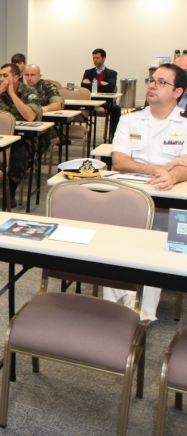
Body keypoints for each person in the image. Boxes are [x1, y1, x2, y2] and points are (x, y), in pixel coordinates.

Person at [107, 63, 187, 322]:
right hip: (130, 198)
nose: (152, 85)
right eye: (152, 80)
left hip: (170, 202)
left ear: (178, 92)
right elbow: (119, 161)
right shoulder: (131, 119)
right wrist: (160, 169)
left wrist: (172, 175)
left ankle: (142, 314)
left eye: (162, 82)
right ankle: (116, 305)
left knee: (157, 245)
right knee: (118, 239)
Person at [0, 63, 41, 208]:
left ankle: (10, 192)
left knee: (19, 155)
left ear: (16, 78)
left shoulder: (29, 92)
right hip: (0, 136)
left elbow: (30, 116)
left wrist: (13, 94)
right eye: (0, 76)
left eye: (5, 76)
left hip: (22, 138)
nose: (1, 79)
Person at [81, 48, 121, 139]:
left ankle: (114, 137)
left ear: (103, 58)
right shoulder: (88, 72)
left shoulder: (112, 73)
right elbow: (83, 86)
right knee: (72, 107)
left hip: (105, 100)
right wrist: (101, 83)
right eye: (94, 58)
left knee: (116, 108)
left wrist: (92, 83)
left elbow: (110, 87)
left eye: (97, 58)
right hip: (91, 99)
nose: (95, 60)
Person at [23, 64, 61, 154]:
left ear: (39, 76)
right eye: (26, 75)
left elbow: (57, 104)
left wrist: (46, 108)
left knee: (41, 135)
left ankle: (35, 159)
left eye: (32, 75)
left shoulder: (48, 86)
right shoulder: (21, 87)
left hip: (47, 124)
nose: (29, 78)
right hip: (26, 122)